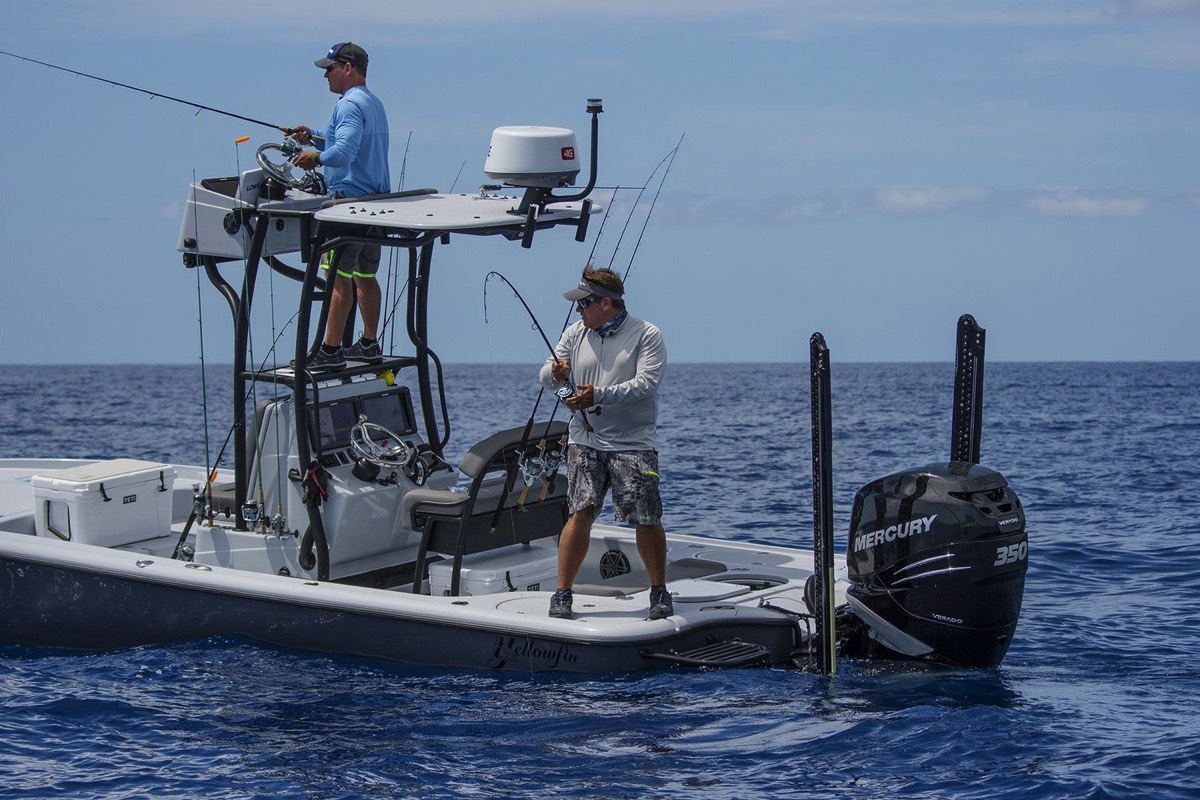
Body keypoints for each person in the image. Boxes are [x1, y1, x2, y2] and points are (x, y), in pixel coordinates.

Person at [538, 267, 671, 620]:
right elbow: (545, 374)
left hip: (633, 441)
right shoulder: (575, 333)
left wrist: (599, 395)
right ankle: (562, 594)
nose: (578, 311)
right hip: (584, 439)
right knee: (580, 512)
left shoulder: (646, 334)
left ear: (606, 303)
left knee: (645, 516)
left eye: (584, 303)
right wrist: (556, 375)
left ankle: (659, 592)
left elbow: (646, 384)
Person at [286, 42, 390, 371]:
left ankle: (330, 352)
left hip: (349, 205)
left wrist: (314, 157)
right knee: (365, 275)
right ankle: (369, 345)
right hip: (377, 203)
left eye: (329, 68)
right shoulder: (372, 102)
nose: (325, 75)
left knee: (336, 277)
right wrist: (313, 137)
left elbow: (343, 153)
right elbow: (352, 144)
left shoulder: (348, 105)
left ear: (347, 68)